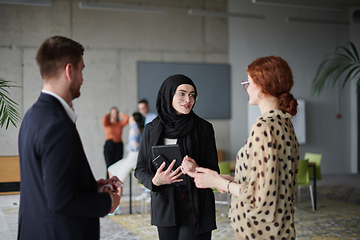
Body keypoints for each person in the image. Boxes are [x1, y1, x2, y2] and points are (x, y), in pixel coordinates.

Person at [17, 36, 120, 240]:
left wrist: (91, 187)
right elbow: (61, 200)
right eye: (82, 69)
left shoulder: (32, 116)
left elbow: (45, 184)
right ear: (69, 71)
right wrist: (108, 201)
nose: (82, 77)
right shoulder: (57, 124)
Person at [186, 56, 299, 240]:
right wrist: (225, 179)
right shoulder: (284, 123)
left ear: (263, 86)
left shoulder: (264, 127)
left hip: (259, 230)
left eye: (248, 82)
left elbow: (259, 196)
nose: (246, 87)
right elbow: (268, 181)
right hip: (279, 227)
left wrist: (220, 183)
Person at [135, 74, 219, 240]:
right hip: (166, 206)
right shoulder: (152, 129)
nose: (188, 99)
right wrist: (155, 181)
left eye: (192, 95)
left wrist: (196, 169)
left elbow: (213, 170)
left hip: (196, 206)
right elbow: (140, 169)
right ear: (168, 94)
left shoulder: (204, 129)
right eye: (181, 93)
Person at [108, 111, 145, 214]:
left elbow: (133, 146)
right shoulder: (142, 128)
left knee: (117, 178)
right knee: (112, 169)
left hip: (133, 156)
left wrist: (129, 146)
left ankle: (115, 205)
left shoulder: (133, 128)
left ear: (133, 119)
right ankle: (116, 203)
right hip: (136, 156)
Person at [102, 107, 129, 178]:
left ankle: (116, 186)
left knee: (118, 166)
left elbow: (126, 119)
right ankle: (108, 185)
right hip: (109, 145)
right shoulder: (107, 123)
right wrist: (108, 114)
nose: (114, 114)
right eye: (113, 113)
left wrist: (120, 114)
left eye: (116, 113)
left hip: (118, 145)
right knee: (109, 166)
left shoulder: (119, 123)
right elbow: (103, 120)